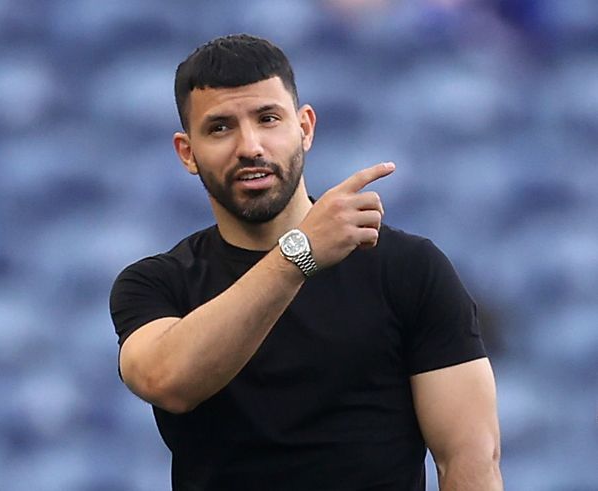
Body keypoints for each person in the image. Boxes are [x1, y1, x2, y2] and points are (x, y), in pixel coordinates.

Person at [109, 34, 502, 490]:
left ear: (305, 128)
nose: (250, 146)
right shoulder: (156, 284)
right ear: (187, 153)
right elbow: (166, 380)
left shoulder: (409, 268)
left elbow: (470, 459)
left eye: (268, 119)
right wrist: (298, 256)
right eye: (220, 128)